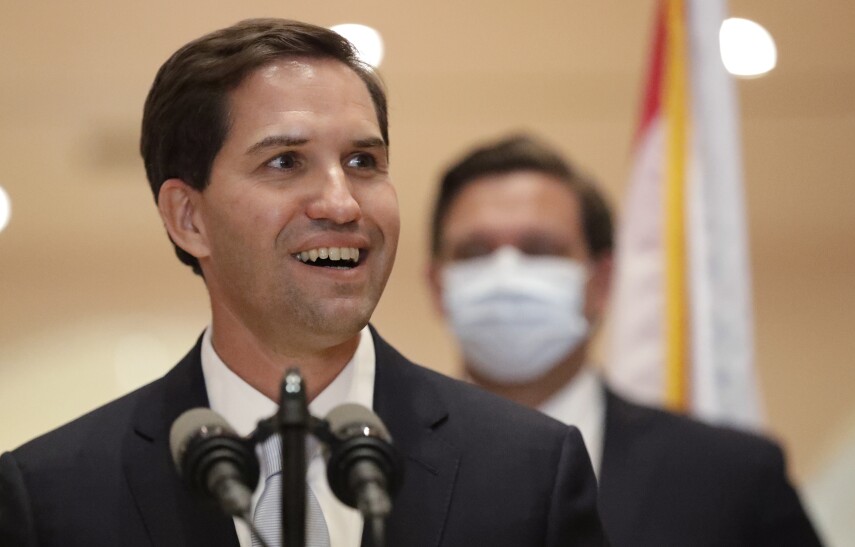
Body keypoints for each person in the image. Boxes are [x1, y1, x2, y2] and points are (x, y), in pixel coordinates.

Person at [0, 20, 607, 547]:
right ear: (189, 218)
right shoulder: (52, 494)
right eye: (285, 162)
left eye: (363, 162)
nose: (342, 203)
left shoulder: (529, 470)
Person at [427, 133, 825, 546]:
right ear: (437, 286)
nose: (506, 277)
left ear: (601, 281)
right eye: (474, 252)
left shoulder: (733, 476)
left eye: (540, 249)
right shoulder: (378, 462)